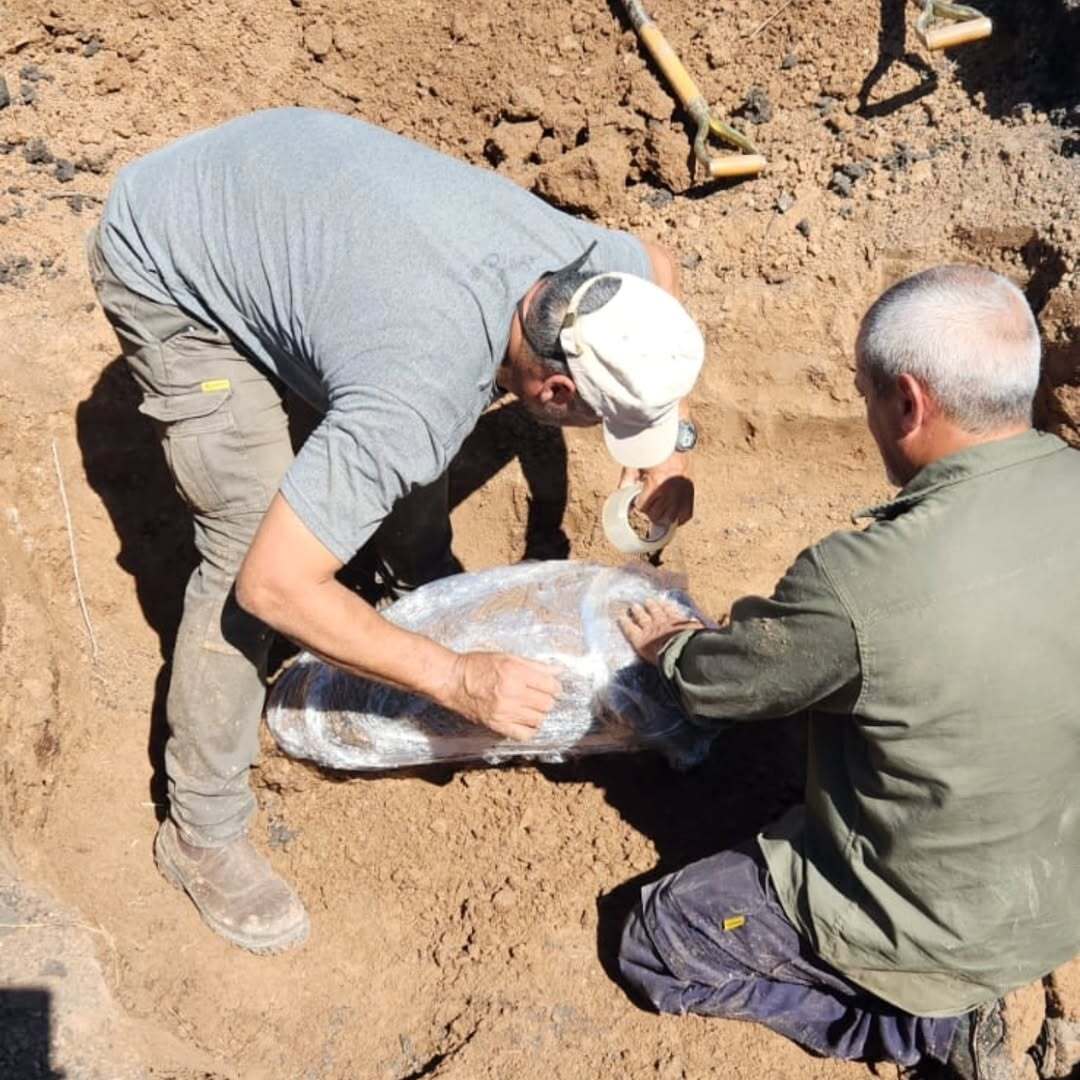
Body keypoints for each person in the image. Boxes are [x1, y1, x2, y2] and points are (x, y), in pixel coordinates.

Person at [86, 107, 706, 955]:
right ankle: (202, 829)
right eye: (606, 420)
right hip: (167, 246)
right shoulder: (417, 388)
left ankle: (409, 581)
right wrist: (454, 677)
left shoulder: (579, 268)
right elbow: (271, 584)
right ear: (554, 392)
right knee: (244, 543)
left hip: (288, 184)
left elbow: (658, 263)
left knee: (399, 430)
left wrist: (668, 445)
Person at [618, 265, 1080, 1079]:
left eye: (865, 394)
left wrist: (673, 647)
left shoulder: (861, 581)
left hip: (938, 934)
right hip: (1059, 882)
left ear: (908, 402)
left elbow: (721, 686)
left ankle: (920, 1028)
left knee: (657, 937)